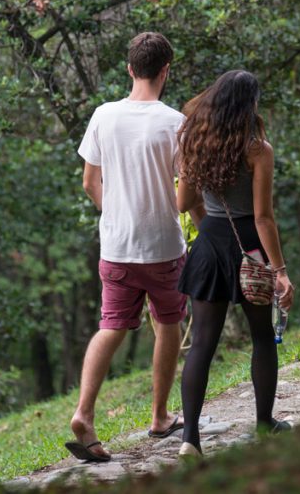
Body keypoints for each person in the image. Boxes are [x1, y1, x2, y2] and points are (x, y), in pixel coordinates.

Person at [66, 32, 196, 463]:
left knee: (112, 326)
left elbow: (89, 181)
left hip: (116, 246)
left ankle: (84, 413)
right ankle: (160, 416)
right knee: (170, 321)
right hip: (162, 246)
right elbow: (187, 191)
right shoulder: (176, 122)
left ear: (129, 69)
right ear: (166, 71)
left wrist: (115, 214)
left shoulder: (103, 115)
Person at [174, 69, 296, 459]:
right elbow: (263, 217)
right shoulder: (259, 149)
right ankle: (264, 423)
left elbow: (184, 202)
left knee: (202, 344)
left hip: (209, 243)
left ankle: (189, 439)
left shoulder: (194, 142)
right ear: (249, 105)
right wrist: (280, 272)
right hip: (251, 247)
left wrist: (209, 232)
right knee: (262, 335)